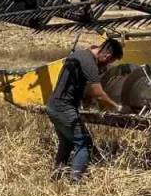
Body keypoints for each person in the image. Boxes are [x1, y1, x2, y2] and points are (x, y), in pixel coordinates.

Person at [47, 38, 123, 183]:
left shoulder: (81, 55)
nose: (107, 65)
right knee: (85, 143)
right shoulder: (89, 63)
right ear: (106, 55)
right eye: (108, 61)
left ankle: (55, 177)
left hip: (53, 106)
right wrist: (117, 107)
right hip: (63, 108)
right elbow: (99, 94)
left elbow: (81, 87)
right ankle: (75, 182)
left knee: (67, 142)